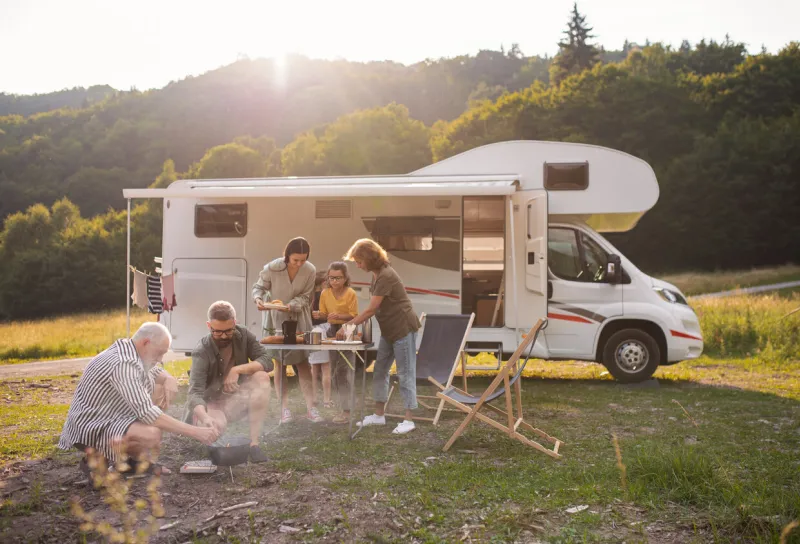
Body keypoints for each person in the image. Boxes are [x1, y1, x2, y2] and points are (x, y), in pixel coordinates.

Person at [59, 322, 219, 474]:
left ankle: (131, 463)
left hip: (108, 417)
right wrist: (196, 432)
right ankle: (95, 460)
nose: (160, 359)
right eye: (159, 353)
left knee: (159, 387)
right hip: (91, 429)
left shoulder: (130, 349)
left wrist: (168, 379)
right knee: (151, 434)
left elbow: (153, 370)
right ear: (146, 342)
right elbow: (148, 414)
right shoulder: (123, 364)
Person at [341, 239, 421, 434]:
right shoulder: (376, 274)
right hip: (388, 330)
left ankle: (409, 420)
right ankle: (379, 415)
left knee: (405, 373)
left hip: (402, 328)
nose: (357, 265)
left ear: (369, 258)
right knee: (379, 370)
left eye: (359, 261)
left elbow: (371, 309)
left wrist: (348, 326)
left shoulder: (386, 275)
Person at [185, 301, 273, 463]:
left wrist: (237, 370)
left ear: (234, 322)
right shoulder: (202, 351)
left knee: (262, 377)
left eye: (228, 331)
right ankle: (209, 433)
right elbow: (194, 393)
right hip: (212, 405)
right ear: (208, 325)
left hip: (237, 400)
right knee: (216, 426)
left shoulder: (244, 335)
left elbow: (268, 361)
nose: (224, 336)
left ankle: (254, 444)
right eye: (217, 332)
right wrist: (205, 417)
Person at [252, 237, 321, 423]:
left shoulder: (310, 270)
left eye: (303, 260)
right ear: (287, 255)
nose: (299, 264)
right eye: (295, 260)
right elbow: (258, 288)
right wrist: (258, 299)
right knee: (279, 363)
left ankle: (311, 408)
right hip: (274, 319)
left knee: (302, 363)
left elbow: (307, 297)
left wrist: (291, 305)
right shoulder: (272, 267)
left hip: (298, 318)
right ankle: (284, 409)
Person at [316, 261, 359, 424]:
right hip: (332, 331)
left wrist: (339, 317)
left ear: (345, 278)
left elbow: (354, 315)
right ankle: (345, 407)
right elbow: (324, 314)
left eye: (338, 278)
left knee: (342, 371)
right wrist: (319, 315)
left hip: (347, 331)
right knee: (334, 372)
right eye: (332, 278)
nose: (334, 281)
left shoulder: (350, 293)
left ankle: (347, 411)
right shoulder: (325, 293)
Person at [308, 270, 333, 408]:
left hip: (311, 331)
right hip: (323, 330)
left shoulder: (309, 297)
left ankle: (314, 398)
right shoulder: (326, 296)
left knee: (313, 368)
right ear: (323, 283)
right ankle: (327, 400)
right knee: (326, 368)